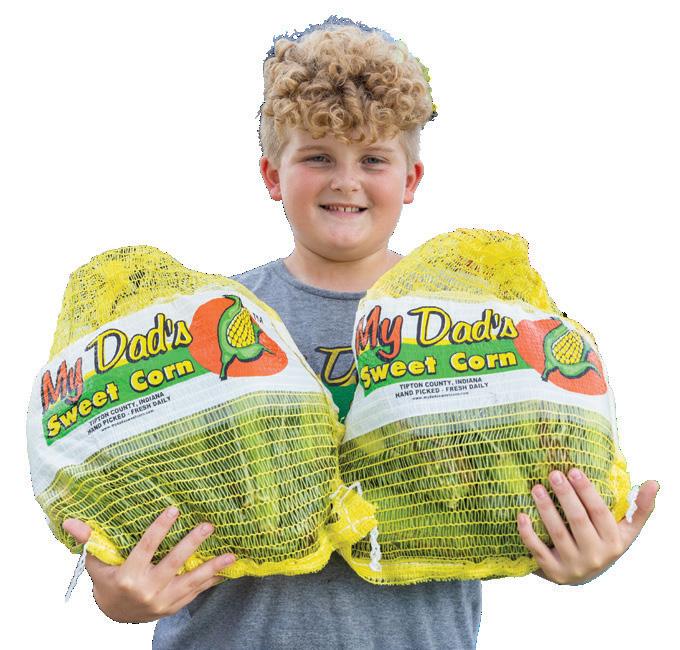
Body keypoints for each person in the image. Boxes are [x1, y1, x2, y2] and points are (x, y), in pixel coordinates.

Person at [62, 15, 659, 650]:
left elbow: (510, 483)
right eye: (318, 156)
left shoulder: (479, 325)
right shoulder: (205, 321)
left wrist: (578, 551)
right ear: (272, 175)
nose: (346, 180)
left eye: (372, 159)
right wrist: (117, 596)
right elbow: (128, 528)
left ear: (410, 180)